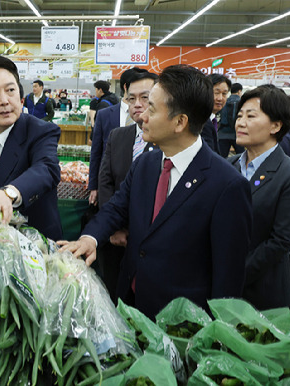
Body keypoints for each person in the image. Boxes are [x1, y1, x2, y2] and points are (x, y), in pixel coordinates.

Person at [59, 64, 252, 319]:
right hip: (130, 304)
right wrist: (90, 239)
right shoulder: (146, 164)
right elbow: (117, 207)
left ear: (180, 122)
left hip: (181, 323)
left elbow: (228, 277)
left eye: (151, 108)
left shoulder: (227, 185)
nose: (141, 116)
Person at [230, 85, 290, 311]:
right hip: (218, 285)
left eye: (251, 116)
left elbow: (281, 241)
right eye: (239, 116)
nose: (241, 122)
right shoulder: (227, 166)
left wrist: (235, 274)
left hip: (262, 289)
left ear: (275, 126)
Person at [0, 55, 62, 240]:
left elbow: (47, 168)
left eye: (10, 90)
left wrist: (8, 194)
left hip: (29, 245)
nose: (4, 100)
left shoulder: (41, 131)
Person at [96, 68, 158, 303]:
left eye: (145, 97)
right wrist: (113, 228)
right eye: (131, 99)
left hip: (151, 241)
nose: (137, 104)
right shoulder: (117, 136)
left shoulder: (169, 142)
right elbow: (106, 182)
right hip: (115, 238)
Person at [88, 68, 138, 206]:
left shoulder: (148, 116)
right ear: (126, 87)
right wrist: (93, 186)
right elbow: (96, 152)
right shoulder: (105, 115)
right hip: (109, 186)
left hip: (140, 185)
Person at [201, 74, 231, 155]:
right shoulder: (200, 120)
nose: (220, 98)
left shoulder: (212, 119)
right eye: (216, 93)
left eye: (224, 94)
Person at [218, 82, 245, 158]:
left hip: (223, 134)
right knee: (242, 158)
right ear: (239, 91)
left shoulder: (223, 102)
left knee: (221, 158)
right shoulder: (243, 103)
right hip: (238, 134)